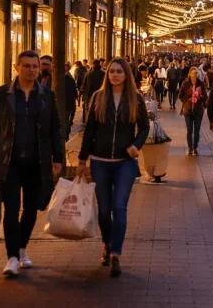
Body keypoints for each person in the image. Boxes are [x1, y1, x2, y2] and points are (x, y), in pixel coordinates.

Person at [0, 50, 65, 277]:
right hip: (9, 160)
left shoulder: (47, 95)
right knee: (11, 210)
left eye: (35, 66)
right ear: (17, 67)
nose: (31, 70)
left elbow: (55, 128)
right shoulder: (2, 94)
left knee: (30, 209)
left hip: (37, 161)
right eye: (26, 66)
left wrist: (58, 158)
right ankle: (12, 257)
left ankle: (22, 248)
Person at [75, 58, 149, 277]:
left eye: (119, 71)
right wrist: (81, 159)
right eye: (112, 72)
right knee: (104, 210)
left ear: (126, 75)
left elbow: (144, 127)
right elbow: (89, 131)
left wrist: (136, 145)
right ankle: (107, 243)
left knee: (119, 207)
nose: (114, 75)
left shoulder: (135, 99)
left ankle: (116, 253)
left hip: (125, 163)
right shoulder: (99, 97)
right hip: (100, 161)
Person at [40, 55, 77, 135]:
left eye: (45, 64)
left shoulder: (66, 80)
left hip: (58, 113)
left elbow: (71, 98)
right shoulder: (38, 79)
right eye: (41, 64)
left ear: (52, 65)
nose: (42, 66)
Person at [179, 67, 208, 155]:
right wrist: (187, 100)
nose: (194, 75)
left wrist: (200, 97)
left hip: (198, 109)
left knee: (197, 129)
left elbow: (205, 96)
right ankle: (190, 147)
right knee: (189, 129)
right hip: (188, 110)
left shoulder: (201, 84)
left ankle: (195, 147)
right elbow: (180, 95)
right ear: (189, 74)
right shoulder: (185, 83)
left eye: (196, 73)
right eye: (193, 73)